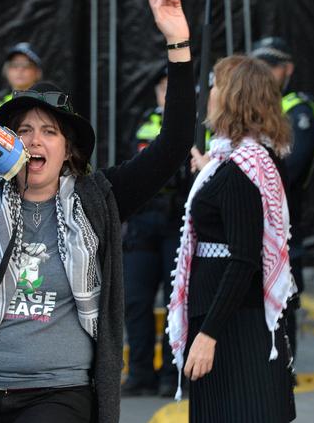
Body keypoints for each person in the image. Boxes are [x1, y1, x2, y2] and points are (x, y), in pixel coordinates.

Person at [0, 0, 195, 423]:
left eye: (50, 131)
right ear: (6, 141)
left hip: (57, 392)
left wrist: (177, 43)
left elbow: (175, 143)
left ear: (69, 150)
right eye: (24, 130)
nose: (34, 141)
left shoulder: (97, 198)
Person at [168, 55, 296, 422]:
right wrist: (211, 171)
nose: (209, 93)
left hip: (233, 325)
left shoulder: (241, 169)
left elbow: (244, 259)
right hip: (225, 318)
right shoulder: (239, 161)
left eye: (215, 85)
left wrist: (208, 334)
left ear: (233, 97)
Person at [250, 36, 314, 357]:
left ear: (287, 69)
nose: (264, 72)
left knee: (283, 298)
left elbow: (292, 167)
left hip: (285, 221)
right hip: (251, 220)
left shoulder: (299, 109)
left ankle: (284, 366)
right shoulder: (251, 111)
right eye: (259, 66)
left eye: (271, 66)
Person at [122, 66, 189, 398]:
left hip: (178, 219)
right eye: (162, 88)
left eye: (171, 88)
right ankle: (139, 371)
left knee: (176, 302)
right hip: (143, 220)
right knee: (135, 300)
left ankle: (172, 373)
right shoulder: (143, 121)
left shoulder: (197, 123)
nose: (167, 94)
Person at [0, 42, 42, 119]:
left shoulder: (45, 103)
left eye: (26, 65)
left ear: (37, 72)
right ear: (6, 71)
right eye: (14, 65)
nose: (20, 69)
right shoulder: (0, 102)